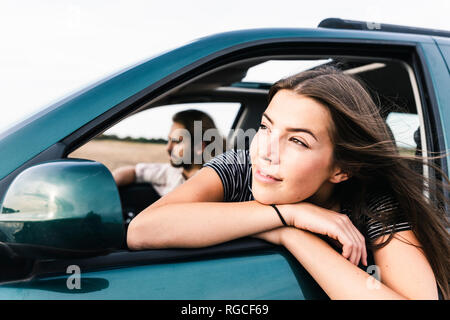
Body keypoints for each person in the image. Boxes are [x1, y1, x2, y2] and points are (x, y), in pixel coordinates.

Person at [126, 66, 450, 300]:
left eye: (297, 141)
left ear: (341, 170)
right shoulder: (239, 168)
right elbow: (143, 231)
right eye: (266, 128)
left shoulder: (375, 204)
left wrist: (294, 236)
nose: (266, 152)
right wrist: (287, 216)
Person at [112, 109, 225, 196]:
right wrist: (106, 188)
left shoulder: (217, 183)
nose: (168, 148)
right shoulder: (171, 172)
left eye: (176, 141)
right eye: (169, 140)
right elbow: (135, 172)